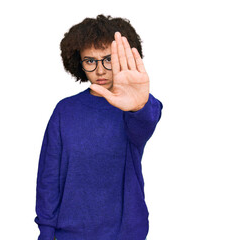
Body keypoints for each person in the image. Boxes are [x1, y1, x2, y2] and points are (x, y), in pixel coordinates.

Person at [34, 14, 163, 240]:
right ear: (78, 61)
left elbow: (146, 121)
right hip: (69, 233)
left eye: (108, 59)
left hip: (125, 234)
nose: (100, 70)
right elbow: (48, 177)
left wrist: (139, 105)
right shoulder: (65, 111)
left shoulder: (136, 108)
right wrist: (46, 231)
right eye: (90, 60)